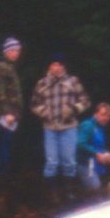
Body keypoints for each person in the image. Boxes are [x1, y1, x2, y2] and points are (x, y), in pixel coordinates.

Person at [30, 56, 89, 204]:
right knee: (51, 162)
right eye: (53, 65)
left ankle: (69, 192)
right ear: (49, 67)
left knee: (69, 161)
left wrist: (73, 109)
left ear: (63, 67)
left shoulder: (73, 81)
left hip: (69, 127)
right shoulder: (42, 83)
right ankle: (52, 194)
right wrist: (44, 112)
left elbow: (85, 101)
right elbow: (34, 104)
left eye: (59, 65)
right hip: (50, 128)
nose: (56, 68)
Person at [0, 37, 23, 180]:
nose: (16, 53)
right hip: (6, 115)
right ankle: (0, 178)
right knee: (3, 146)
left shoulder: (11, 67)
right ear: (6, 51)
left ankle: (5, 177)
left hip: (14, 114)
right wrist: (6, 112)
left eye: (18, 50)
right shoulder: (1, 67)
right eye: (13, 50)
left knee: (8, 146)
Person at [77, 102, 110, 194]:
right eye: (103, 115)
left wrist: (107, 154)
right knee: (95, 187)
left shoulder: (100, 127)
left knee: (102, 187)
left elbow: (99, 146)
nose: (106, 118)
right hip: (84, 163)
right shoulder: (88, 125)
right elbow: (80, 143)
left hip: (96, 164)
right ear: (96, 114)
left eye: (108, 116)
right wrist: (96, 153)